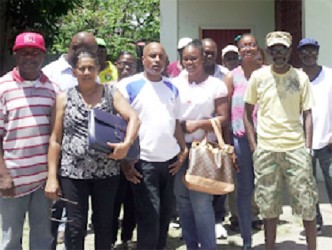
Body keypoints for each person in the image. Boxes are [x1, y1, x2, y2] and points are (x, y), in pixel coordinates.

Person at [44, 50, 140, 250]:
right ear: (74, 71)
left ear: (98, 70)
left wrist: (126, 144)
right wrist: (52, 177)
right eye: (82, 68)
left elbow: (133, 118)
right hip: (73, 173)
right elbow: (55, 139)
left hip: (106, 172)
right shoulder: (63, 98)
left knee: (104, 225)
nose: (86, 72)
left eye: (91, 68)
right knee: (75, 226)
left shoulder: (111, 93)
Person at [243, 31, 318, 250]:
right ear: (267, 52)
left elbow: (308, 114)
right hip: (266, 148)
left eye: (282, 49)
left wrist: (308, 148)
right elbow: (247, 113)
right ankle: (270, 246)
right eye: (274, 49)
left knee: (307, 202)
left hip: (296, 147)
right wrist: (254, 146)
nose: (278, 54)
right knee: (268, 205)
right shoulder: (258, 77)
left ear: (289, 51)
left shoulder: (300, 77)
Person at [118, 42, 188, 250]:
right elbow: (120, 124)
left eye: (161, 57)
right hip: (142, 162)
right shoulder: (128, 86)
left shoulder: (172, 87)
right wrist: (124, 159)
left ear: (166, 61)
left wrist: (183, 149)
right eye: (152, 56)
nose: (157, 60)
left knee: (165, 215)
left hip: (169, 162)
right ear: (143, 60)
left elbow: (174, 121)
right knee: (150, 216)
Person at [0, 32, 59, 249]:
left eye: (35, 53)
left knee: (43, 238)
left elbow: (56, 134)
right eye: (24, 53)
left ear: (43, 56)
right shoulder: (3, 88)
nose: (29, 57)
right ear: (16, 56)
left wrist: (53, 176)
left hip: (43, 181)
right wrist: (3, 175)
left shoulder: (52, 88)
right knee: (10, 239)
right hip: (12, 181)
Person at [42, 31, 98, 248]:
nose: (91, 56)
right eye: (88, 50)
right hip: (58, 153)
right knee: (54, 213)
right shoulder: (51, 73)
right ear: (75, 47)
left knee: (75, 220)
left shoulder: (92, 71)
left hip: (83, 161)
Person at [173, 39, 229, 250]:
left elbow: (224, 118)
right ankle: (191, 245)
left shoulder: (216, 85)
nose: (189, 62)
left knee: (201, 203)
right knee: (182, 201)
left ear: (203, 58)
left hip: (204, 150)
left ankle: (207, 246)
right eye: (186, 59)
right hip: (180, 150)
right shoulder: (175, 83)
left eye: (194, 58)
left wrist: (199, 124)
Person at [223, 33, 262, 250]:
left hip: (267, 139)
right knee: (245, 189)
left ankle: (270, 238)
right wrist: (228, 144)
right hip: (240, 140)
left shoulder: (267, 73)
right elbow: (226, 113)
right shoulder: (232, 77)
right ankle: (247, 239)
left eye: (252, 45)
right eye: (244, 45)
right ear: (239, 50)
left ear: (257, 48)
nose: (248, 48)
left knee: (266, 187)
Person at [298, 37, 332, 235]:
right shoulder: (294, 77)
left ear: (317, 53)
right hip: (301, 143)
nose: (309, 54)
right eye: (305, 51)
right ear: (299, 54)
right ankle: (315, 221)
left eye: (312, 51)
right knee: (307, 187)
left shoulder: (329, 75)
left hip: (328, 141)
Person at [110, 51, 137, 249]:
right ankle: (109, 239)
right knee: (112, 201)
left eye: (131, 65)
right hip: (112, 155)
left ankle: (127, 237)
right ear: (116, 65)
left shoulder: (140, 89)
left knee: (132, 201)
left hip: (136, 154)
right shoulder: (108, 90)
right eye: (123, 64)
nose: (126, 69)